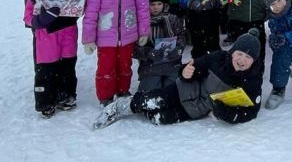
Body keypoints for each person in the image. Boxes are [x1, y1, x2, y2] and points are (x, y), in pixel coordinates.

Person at [93, 29, 263, 128]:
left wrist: (226, 113)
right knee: (152, 100)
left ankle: (148, 112)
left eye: (248, 58)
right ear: (233, 52)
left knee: (159, 118)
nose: (242, 60)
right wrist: (186, 72)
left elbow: (251, 111)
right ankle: (122, 106)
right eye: (239, 54)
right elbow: (194, 65)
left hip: (196, 109)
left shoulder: (252, 80)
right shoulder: (219, 58)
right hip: (184, 89)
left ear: (254, 61)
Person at [82, 0, 150, 106]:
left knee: (125, 66)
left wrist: (144, 32)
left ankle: (123, 91)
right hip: (106, 40)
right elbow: (90, 16)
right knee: (106, 68)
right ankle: (105, 96)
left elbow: (143, 10)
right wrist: (88, 39)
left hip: (128, 37)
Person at [24, 0, 80, 118]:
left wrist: (80, 4)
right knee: (46, 70)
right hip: (46, 37)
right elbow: (27, 18)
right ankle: (45, 101)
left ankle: (66, 95)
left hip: (68, 33)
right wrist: (42, 19)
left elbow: (80, 5)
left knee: (67, 68)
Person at [133, 0, 186, 92]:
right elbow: (133, 47)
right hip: (150, 65)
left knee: (174, 91)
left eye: (159, 4)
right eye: (152, 4)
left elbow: (182, 36)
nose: (156, 7)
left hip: (172, 63)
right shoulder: (140, 22)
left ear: (164, 4)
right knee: (149, 95)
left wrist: (178, 49)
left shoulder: (172, 19)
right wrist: (148, 52)